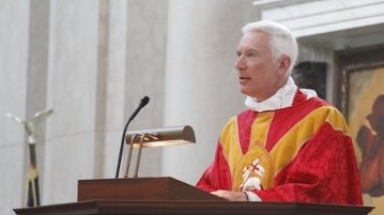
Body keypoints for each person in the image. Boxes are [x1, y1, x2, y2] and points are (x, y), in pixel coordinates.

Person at [196, 20, 363, 205]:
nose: (238, 64)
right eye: (239, 54)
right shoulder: (233, 129)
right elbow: (208, 189)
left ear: (282, 65)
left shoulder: (321, 119)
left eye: (251, 55)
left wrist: (250, 199)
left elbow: (323, 193)